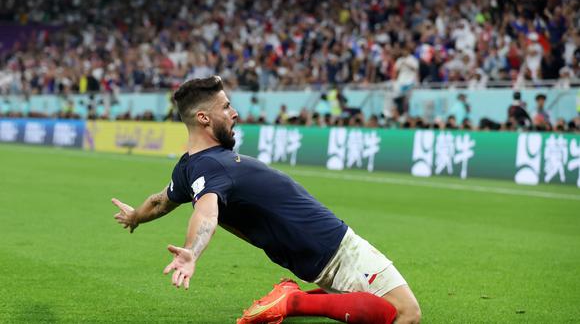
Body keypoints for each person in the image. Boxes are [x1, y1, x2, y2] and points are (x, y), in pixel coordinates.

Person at [111, 76, 421, 324]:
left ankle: (290, 295)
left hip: (307, 254)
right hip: (333, 245)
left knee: (371, 306)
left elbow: (160, 201)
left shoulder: (189, 167)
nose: (234, 113)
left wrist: (135, 217)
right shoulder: (216, 167)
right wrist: (192, 251)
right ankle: (292, 301)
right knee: (406, 313)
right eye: (226, 107)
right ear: (204, 118)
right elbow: (206, 213)